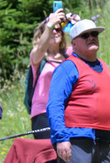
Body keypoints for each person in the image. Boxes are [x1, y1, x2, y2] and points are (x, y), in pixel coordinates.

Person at [47, 20, 110, 163]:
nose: (91, 37)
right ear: (74, 43)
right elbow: (55, 104)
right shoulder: (68, 68)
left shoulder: (102, 65)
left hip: (103, 140)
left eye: (94, 34)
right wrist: (61, 139)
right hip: (77, 140)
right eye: (85, 35)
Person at [28, 8, 79, 138]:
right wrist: (50, 25)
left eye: (58, 29)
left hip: (66, 110)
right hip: (43, 112)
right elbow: (41, 48)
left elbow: (83, 43)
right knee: (49, 155)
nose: (54, 32)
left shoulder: (69, 54)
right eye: (51, 30)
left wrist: (76, 23)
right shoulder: (38, 56)